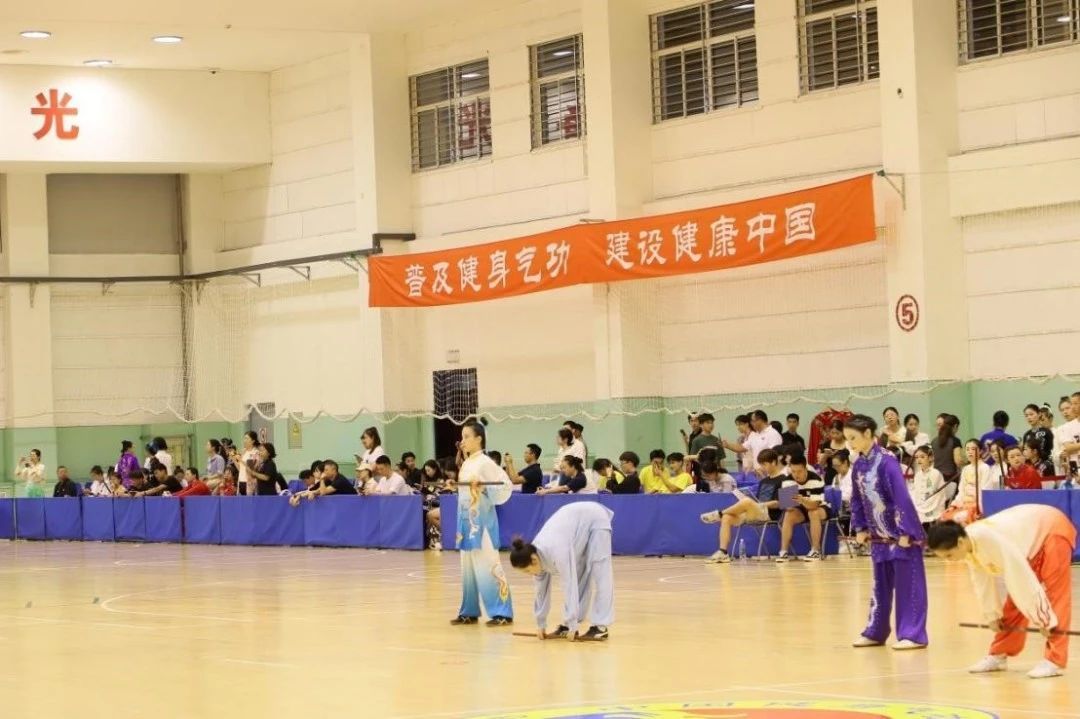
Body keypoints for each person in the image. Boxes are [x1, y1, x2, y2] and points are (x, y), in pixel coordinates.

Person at [928, 505, 1075, 679]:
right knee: (1016, 600)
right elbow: (981, 581)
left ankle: (1054, 660)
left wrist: (1044, 620)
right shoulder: (968, 544)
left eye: (949, 556)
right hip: (1031, 539)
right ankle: (999, 653)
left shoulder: (989, 539)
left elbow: (1020, 578)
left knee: (1056, 595)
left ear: (959, 542)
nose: (949, 561)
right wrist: (992, 615)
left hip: (1052, 529)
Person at [845, 414, 928, 651]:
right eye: (848, 438)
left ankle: (912, 634)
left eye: (853, 438)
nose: (850, 443)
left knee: (908, 584)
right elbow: (857, 499)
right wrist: (860, 527)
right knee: (879, 586)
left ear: (868, 434)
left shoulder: (887, 461)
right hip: (878, 537)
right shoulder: (859, 465)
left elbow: (901, 497)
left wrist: (906, 531)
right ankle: (876, 631)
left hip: (901, 536)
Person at [508, 502, 615, 642]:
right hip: (575, 528)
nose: (530, 574)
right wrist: (541, 624)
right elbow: (541, 592)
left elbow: (569, 585)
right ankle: (569, 623)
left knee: (600, 572)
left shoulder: (557, 550)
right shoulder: (533, 554)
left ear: (533, 560)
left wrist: (573, 626)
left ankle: (600, 626)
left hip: (595, 519)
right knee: (580, 574)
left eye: (528, 570)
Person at [450, 421, 514, 627]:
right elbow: (467, 491)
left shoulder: (485, 463)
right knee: (467, 568)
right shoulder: (467, 463)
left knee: (489, 565)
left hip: (482, 523)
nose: (463, 441)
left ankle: (502, 612)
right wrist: (455, 485)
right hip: (466, 523)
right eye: (462, 437)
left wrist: (485, 488)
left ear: (479, 438)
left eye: (467, 436)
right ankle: (469, 611)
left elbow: (505, 487)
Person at [699, 448, 785, 563]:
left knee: (747, 502)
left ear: (774, 462)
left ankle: (719, 513)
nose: (762, 467)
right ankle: (723, 552)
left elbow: (781, 503)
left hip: (770, 514)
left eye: (764, 464)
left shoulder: (784, 479)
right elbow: (757, 500)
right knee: (727, 517)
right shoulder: (764, 481)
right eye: (761, 465)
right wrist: (754, 502)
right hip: (755, 512)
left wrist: (759, 504)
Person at [776, 455, 829, 562]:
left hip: (820, 508)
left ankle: (815, 550)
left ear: (805, 468)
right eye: (793, 471)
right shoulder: (787, 481)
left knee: (813, 512)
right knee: (789, 514)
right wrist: (788, 504)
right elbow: (788, 508)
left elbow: (814, 505)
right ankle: (783, 552)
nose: (796, 474)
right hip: (802, 509)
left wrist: (802, 500)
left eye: (799, 471)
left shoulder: (816, 479)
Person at [941, 439, 993, 525]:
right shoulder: (965, 469)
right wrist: (954, 505)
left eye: (973, 449)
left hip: (977, 505)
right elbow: (961, 490)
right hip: (964, 503)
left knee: (961, 517)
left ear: (980, 451)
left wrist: (979, 509)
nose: (970, 452)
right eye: (967, 449)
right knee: (944, 516)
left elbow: (985, 491)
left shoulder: (985, 468)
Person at [907, 446, 947, 528]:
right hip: (921, 503)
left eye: (922, 457)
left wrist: (921, 504)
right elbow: (917, 491)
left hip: (934, 504)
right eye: (917, 457)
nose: (919, 460)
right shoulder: (918, 474)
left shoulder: (935, 473)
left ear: (930, 458)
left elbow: (931, 493)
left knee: (918, 514)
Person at [930, 414, 964, 485]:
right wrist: (967, 463)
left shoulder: (933, 441)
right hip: (950, 478)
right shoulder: (955, 441)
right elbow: (958, 461)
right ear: (955, 426)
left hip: (936, 476)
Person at [817, 420, 848, 485]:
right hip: (830, 475)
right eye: (832, 433)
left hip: (845, 475)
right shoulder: (826, 444)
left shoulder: (849, 444)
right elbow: (821, 464)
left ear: (843, 431)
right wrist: (826, 455)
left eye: (837, 433)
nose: (834, 436)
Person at [234, 431, 260, 496]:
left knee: (249, 500)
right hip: (241, 480)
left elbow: (251, 469)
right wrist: (234, 459)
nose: (244, 440)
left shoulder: (256, 452)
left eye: (246, 438)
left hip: (249, 482)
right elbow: (240, 468)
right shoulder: (244, 451)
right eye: (244, 438)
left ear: (253, 441)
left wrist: (240, 460)